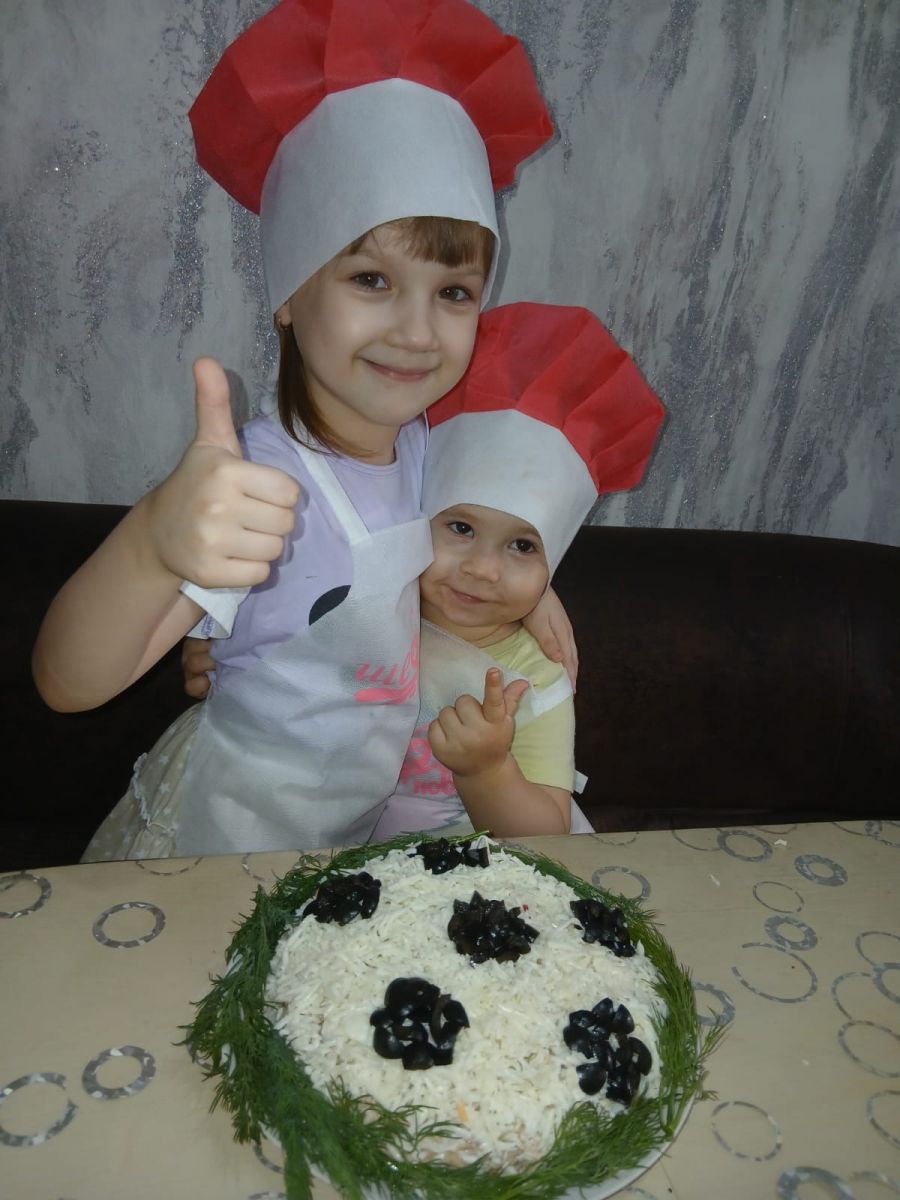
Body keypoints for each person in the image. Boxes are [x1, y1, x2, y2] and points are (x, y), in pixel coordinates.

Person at [31, 0, 562, 858]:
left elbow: (467, 541)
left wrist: (539, 595)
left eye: (453, 292)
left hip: (339, 842)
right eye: (370, 280)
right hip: (220, 835)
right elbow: (69, 682)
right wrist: (154, 543)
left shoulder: (431, 450)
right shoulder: (250, 485)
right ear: (289, 291)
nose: (417, 331)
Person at [369, 302, 665, 840]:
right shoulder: (371, 606)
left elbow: (548, 834)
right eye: (460, 528)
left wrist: (485, 770)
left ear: (554, 563)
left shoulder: (537, 680)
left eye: (523, 546)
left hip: (474, 872)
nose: (483, 569)